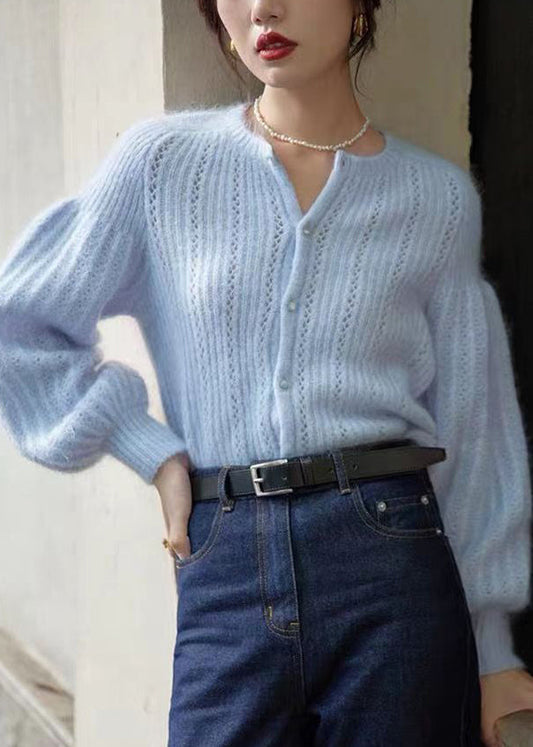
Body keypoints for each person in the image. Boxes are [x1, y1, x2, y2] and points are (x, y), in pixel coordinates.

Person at [0, 0, 532, 744]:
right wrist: (152, 452)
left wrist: (493, 650)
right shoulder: (162, 165)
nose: (261, 8)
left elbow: (474, 427)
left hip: (392, 559)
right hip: (225, 557)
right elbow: (20, 324)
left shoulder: (435, 200)